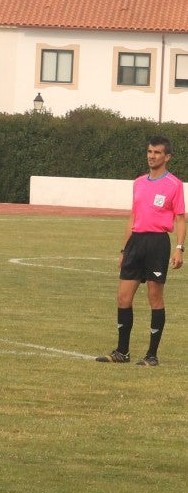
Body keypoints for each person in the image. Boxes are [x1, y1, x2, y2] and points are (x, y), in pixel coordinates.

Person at [96, 136, 187, 366]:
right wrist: (124, 249)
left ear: (167, 157)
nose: (151, 156)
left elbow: (181, 220)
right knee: (123, 297)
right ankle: (122, 352)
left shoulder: (174, 185)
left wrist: (179, 249)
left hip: (157, 243)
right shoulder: (138, 182)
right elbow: (132, 217)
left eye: (157, 152)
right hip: (136, 243)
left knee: (155, 299)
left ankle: (151, 355)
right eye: (149, 151)